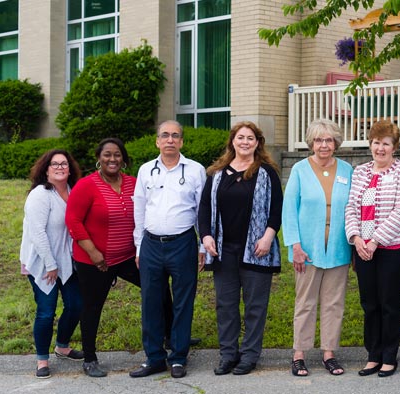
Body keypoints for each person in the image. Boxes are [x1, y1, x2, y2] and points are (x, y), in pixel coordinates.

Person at [65, 138, 176, 378]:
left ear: (123, 159)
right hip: (95, 261)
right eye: (107, 155)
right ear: (99, 158)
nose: (112, 159)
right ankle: (90, 358)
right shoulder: (86, 185)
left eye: (117, 155)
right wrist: (94, 254)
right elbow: (73, 222)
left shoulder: (133, 183)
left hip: (128, 257)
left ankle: (170, 336)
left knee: (159, 290)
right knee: (92, 307)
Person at [199, 121, 282, 376]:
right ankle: (228, 355)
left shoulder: (267, 172)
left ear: (257, 143)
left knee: (255, 306)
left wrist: (268, 237)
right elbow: (204, 209)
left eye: (250, 138)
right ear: (232, 141)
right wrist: (205, 237)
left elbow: (277, 209)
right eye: (240, 137)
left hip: (256, 249)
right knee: (226, 304)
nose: (245, 142)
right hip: (223, 250)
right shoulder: (216, 173)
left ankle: (249, 356)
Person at [131, 121, 206, 379]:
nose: (170, 140)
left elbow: (201, 211)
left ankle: (178, 358)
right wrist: (139, 245)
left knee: (183, 302)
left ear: (182, 142)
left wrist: (201, 246)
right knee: (151, 302)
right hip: (151, 244)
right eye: (165, 135)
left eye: (175, 135)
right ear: (157, 141)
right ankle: (154, 358)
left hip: (183, 243)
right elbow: (139, 208)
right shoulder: (145, 170)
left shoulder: (195, 171)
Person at [344, 120, 400, 378]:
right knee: (369, 303)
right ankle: (373, 355)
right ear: (370, 144)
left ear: (395, 147)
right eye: (376, 142)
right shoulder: (360, 171)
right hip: (363, 249)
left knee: (389, 303)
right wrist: (356, 238)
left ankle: (389, 356)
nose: (380, 148)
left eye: (386, 143)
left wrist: (375, 240)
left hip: (393, 248)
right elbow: (351, 207)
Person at [282, 119, 353, 377]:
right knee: (305, 302)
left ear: (336, 143)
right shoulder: (300, 170)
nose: (324, 145)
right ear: (311, 142)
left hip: (338, 247)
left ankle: (329, 353)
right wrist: (295, 246)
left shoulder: (347, 170)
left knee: (334, 303)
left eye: (329, 140)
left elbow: (353, 208)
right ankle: (299, 354)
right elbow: (289, 210)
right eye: (319, 140)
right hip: (307, 248)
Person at [20, 149, 84, 379]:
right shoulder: (40, 194)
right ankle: (41, 360)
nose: (60, 167)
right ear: (46, 169)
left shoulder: (72, 191)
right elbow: (37, 233)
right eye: (54, 164)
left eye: (64, 163)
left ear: (70, 168)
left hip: (68, 261)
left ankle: (62, 346)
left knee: (76, 305)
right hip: (42, 262)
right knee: (46, 312)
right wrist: (50, 264)